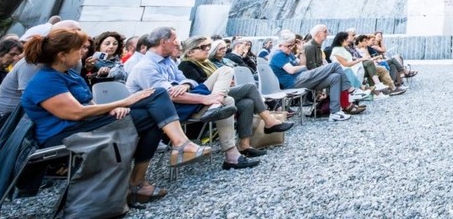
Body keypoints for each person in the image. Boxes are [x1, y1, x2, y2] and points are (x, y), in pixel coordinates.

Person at [20, 28, 208, 204]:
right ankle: (148, 174)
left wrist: (110, 110)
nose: (83, 53)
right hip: (64, 134)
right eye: (79, 49)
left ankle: (159, 163)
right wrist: (122, 103)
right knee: (155, 105)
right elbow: (75, 113)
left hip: (86, 124)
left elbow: (89, 105)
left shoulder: (69, 74)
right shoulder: (45, 80)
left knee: (156, 98)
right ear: (62, 55)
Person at [126, 27, 259, 170]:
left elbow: (188, 81)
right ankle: (232, 154)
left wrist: (186, 84)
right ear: (164, 42)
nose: (178, 43)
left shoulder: (167, 62)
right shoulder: (145, 67)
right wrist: (203, 99)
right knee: (228, 100)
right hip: (166, 113)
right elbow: (167, 96)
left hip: (184, 103)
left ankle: (231, 153)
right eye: (174, 39)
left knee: (226, 77)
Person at [178, 36, 293, 157]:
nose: (207, 49)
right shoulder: (186, 66)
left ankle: (244, 145)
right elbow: (200, 86)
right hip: (204, 101)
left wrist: (227, 82)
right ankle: (269, 121)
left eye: (208, 46)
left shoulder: (207, 63)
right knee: (250, 87)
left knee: (247, 103)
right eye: (203, 47)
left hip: (219, 96)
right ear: (190, 52)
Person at [268, 33, 352, 121]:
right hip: (294, 82)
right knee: (335, 65)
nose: (290, 48)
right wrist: (302, 68)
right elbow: (291, 70)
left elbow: (302, 64)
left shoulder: (288, 53)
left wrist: (302, 51)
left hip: (301, 78)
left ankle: (335, 113)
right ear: (280, 45)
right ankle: (350, 89)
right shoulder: (278, 54)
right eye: (288, 46)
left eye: (292, 46)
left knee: (335, 77)